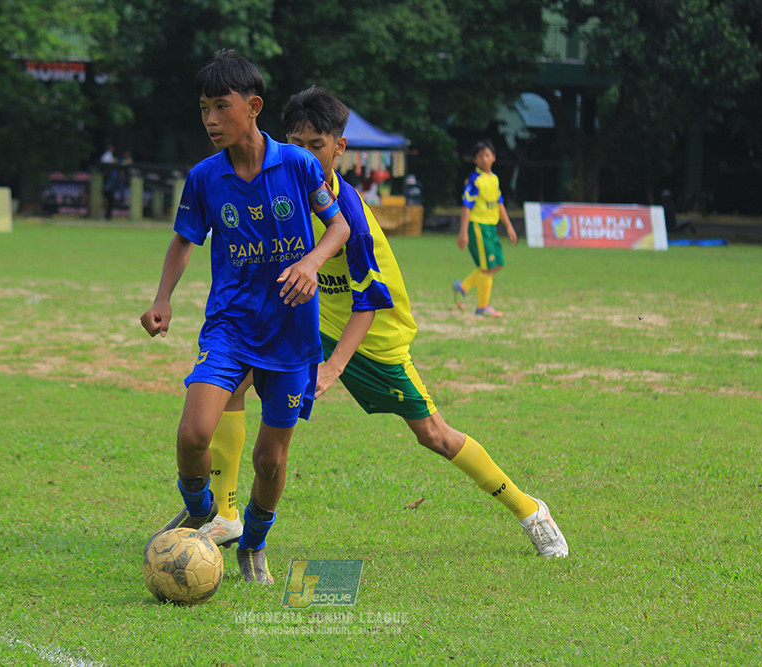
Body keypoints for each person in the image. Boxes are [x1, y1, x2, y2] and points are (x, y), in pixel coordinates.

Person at [199, 87, 569, 562]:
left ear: (339, 148)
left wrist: (333, 368)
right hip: (311, 324)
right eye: (296, 143)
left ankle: (531, 510)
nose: (305, 154)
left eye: (317, 144)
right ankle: (227, 513)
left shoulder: (349, 213)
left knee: (434, 434)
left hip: (373, 337)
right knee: (232, 382)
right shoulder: (280, 189)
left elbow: (369, 303)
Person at [139, 52, 351, 585]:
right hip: (230, 328)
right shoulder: (205, 178)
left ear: (252, 107)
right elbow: (184, 241)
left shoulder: (299, 165)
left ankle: (253, 544)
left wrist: (310, 261)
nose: (210, 119)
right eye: (204, 109)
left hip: (292, 335)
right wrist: (163, 298)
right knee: (193, 433)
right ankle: (201, 507)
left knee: (270, 460)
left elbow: (340, 227)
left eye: (220, 107)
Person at [452, 140, 518, 317]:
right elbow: (466, 207)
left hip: (491, 228)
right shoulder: (475, 181)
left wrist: (509, 228)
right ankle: (482, 307)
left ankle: (463, 286)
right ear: (475, 160)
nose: (484, 159)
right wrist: (463, 232)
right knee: (487, 267)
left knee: (498, 264)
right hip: (478, 227)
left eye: (487, 155)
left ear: (494, 158)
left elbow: (500, 204)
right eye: (480, 156)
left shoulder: (494, 179)